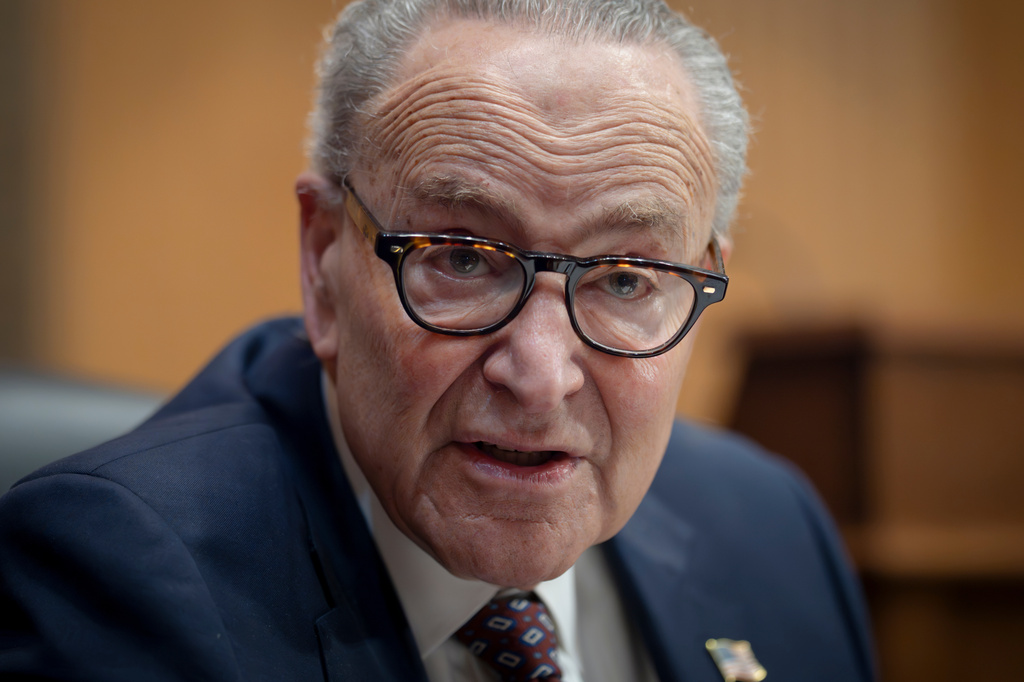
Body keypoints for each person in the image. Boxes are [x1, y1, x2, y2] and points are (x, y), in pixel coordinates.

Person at [0, 0, 874, 680]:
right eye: (461, 258)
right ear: (323, 262)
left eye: (624, 279)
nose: (539, 374)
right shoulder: (119, 578)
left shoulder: (774, 530)